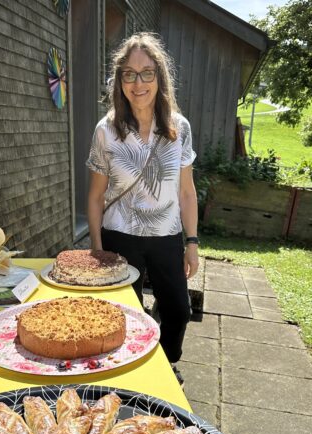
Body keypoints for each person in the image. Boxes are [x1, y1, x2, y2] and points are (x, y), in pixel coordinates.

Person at [87, 32, 199, 385]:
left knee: (179, 310)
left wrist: (192, 242)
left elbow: (186, 191)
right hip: (120, 235)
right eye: (130, 74)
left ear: (160, 77)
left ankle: (165, 363)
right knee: (126, 314)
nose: (139, 83)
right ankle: (132, 375)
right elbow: (94, 196)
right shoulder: (106, 131)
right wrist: (96, 247)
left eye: (147, 72)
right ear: (120, 80)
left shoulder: (179, 129)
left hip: (166, 234)